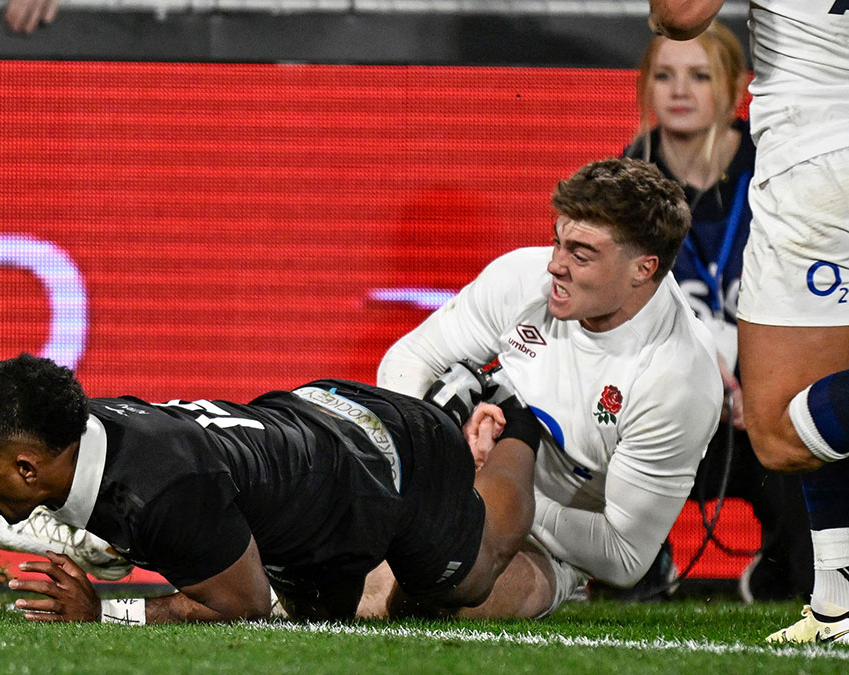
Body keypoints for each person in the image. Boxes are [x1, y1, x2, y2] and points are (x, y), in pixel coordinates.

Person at [0, 354, 541, 624]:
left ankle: (514, 414)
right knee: (325, 617)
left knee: (466, 578)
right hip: (308, 442)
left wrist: (105, 610)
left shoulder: (161, 493)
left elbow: (239, 604)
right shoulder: (66, 428)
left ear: (27, 471)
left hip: (388, 461)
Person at [359, 157, 723, 619]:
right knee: (331, 562)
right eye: (557, 240)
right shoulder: (522, 278)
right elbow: (410, 360)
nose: (555, 264)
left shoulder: (678, 381)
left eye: (580, 253)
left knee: (418, 598)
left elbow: (624, 556)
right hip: (443, 491)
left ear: (642, 269)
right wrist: (431, 455)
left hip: (547, 545)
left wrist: (505, 495)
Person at [649, 0, 849, 643]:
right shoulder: (638, 169)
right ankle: (837, 603)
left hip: (820, 149)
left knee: (782, 428)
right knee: (827, 392)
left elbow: (682, 13)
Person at [622, 21, 811, 603]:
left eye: (699, 76)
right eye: (665, 75)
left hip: (764, 397)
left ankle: (790, 567)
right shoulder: (622, 185)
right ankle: (633, 563)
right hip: (666, 400)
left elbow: (812, 294)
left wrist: (758, 375)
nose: (680, 90)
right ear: (646, 89)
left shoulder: (777, 172)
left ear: (732, 89)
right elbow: (610, 314)